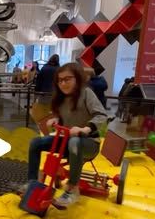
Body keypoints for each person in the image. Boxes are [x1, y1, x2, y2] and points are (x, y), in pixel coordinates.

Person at [20, 63, 108, 207]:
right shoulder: (61, 98)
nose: (63, 83)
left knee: (74, 143)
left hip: (88, 142)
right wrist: (56, 119)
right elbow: (62, 116)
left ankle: (72, 189)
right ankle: (32, 183)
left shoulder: (86, 93)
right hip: (67, 140)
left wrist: (86, 128)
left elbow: (102, 115)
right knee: (36, 143)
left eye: (67, 79)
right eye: (60, 80)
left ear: (77, 79)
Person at [32, 54, 60, 122]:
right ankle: (51, 125)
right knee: (53, 109)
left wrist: (37, 91)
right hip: (54, 93)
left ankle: (42, 123)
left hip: (44, 92)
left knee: (43, 108)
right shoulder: (59, 69)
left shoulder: (44, 68)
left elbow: (39, 80)